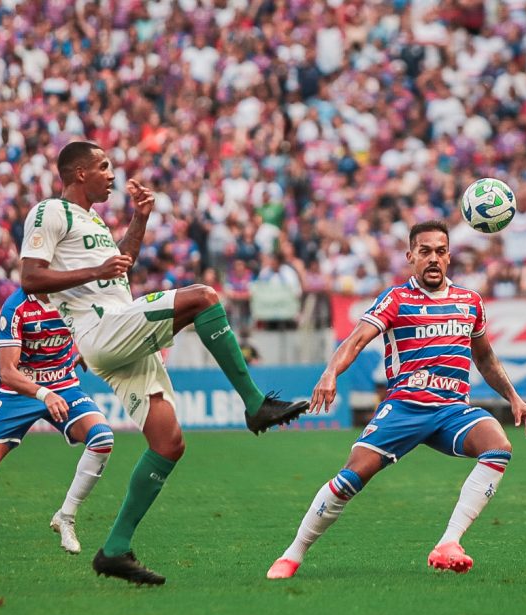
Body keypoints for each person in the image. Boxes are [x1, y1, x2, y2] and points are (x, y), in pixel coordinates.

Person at [19, 141, 309, 585]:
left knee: (168, 442)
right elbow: (30, 277)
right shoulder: (49, 213)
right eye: (103, 167)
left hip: (117, 329)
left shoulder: (92, 219)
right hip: (102, 330)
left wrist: (140, 218)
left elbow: (119, 268)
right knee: (205, 298)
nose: (112, 174)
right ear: (78, 174)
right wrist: (94, 273)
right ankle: (254, 403)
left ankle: (114, 549)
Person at [266, 221, 526, 580]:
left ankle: (448, 544)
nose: (433, 258)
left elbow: (484, 359)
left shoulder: (470, 302)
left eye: (440, 251)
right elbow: (357, 339)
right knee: (350, 478)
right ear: (410, 257)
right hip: (405, 408)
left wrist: (514, 397)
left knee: (499, 446)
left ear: (449, 256)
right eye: (425, 251)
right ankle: (292, 554)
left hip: (453, 410)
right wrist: (330, 373)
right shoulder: (396, 298)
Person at [0, 288, 114, 562]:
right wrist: (44, 394)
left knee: (102, 438)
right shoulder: (16, 307)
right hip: (18, 393)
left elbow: (94, 326)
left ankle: (65, 517)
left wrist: (88, 353)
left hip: (64, 385)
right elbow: (7, 371)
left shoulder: (73, 295)